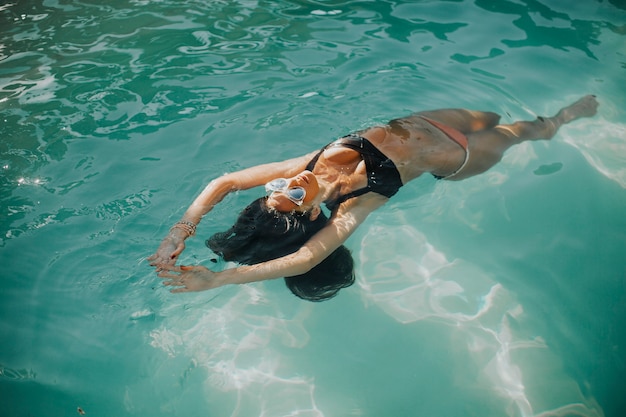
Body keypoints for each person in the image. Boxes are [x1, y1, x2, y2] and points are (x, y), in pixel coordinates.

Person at [149, 95, 599, 299]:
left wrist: (179, 232)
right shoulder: (357, 204)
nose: (284, 185)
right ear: (307, 213)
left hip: (424, 121)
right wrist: (218, 280)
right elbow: (303, 261)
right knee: (523, 130)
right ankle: (562, 119)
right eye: (288, 195)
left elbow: (224, 182)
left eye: (273, 191)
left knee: (490, 112)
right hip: (459, 158)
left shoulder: (303, 166)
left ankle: (538, 122)